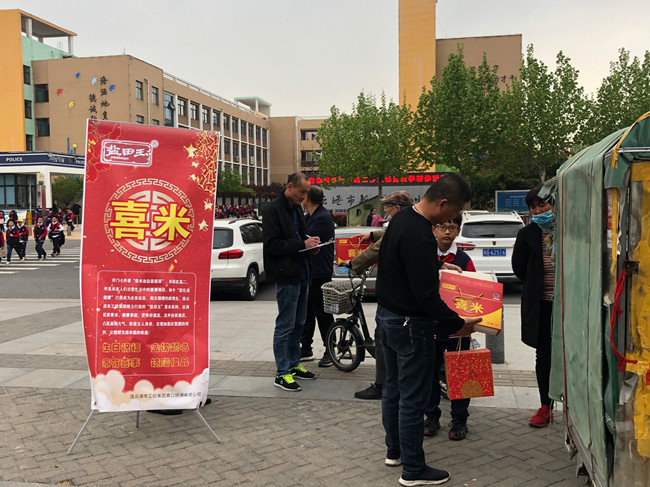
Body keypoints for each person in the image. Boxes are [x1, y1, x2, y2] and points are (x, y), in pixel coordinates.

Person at [375, 173, 481, 486]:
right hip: (411, 326)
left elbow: (401, 264)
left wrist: (438, 265)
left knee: (392, 390)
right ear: (443, 202)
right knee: (412, 399)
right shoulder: (422, 235)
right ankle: (413, 470)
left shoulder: (401, 219)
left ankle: (394, 450)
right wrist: (459, 324)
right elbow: (427, 296)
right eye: (453, 212)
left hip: (387, 319)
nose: (450, 222)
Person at [345, 191, 414, 400]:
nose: (385, 212)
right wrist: (372, 234)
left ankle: (383, 385)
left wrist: (353, 264)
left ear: (397, 209)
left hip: (393, 296)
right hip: (403, 296)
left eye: (388, 208)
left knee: (384, 337)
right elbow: (385, 233)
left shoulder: (401, 227)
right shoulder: (410, 222)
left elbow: (375, 250)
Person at [263, 172, 321, 392]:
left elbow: (299, 238)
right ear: (289, 186)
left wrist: (311, 246)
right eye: (301, 192)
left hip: (303, 271)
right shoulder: (273, 210)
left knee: (299, 323)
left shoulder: (297, 209)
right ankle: (282, 373)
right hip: (286, 275)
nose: (304, 197)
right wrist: (302, 245)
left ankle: (294, 364)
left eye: (307, 193)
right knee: (285, 325)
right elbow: (272, 245)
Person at [424, 213, 476, 441]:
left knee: (460, 374)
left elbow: (474, 292)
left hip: (458, 328)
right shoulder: (425, 256)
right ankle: (431, 416)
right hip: (429, 326)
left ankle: (460, 419)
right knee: (429, 373)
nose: (447, 232)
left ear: (458, 231)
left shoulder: (464, 260)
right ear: (433, 229)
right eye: (442, 227)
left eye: (452, 227)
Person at [512, 186, 556, 428]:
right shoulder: (527, 234)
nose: (538, 211)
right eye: (533, 207)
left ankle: (574, 405)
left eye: (543, 205)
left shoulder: (570, 231)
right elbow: (519, 268)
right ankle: (545, 406)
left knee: (572, 355)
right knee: (544, 356)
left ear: (555, 204)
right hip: (541, 306)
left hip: (570, 307)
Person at [299, 186, 336, 366]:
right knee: (307, 313)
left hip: (320, 273)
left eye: (303, 195)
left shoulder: (322, 218)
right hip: (310, 272)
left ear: (307, 198)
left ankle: (330, 350)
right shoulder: (309, 216)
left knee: (323, 313)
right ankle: (306, 348)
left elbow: (304, 240)